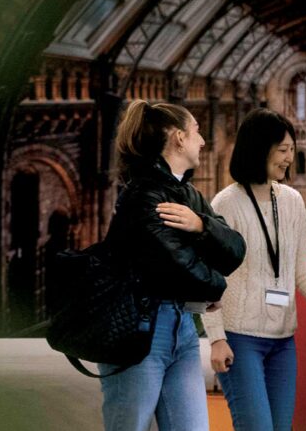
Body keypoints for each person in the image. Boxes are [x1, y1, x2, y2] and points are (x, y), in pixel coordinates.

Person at [100, 99, 246, 431]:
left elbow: (235, 249)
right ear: (178, 137)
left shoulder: (188, 195)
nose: (203, 140)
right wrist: (217, 287)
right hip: (138, 331)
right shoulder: (143, 196)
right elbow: (177, 264)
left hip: (180, 328)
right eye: (196, 131)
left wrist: (201, 225)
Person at [203, 108, 306, 431]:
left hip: (282, 340)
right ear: (259, 148)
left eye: (291, 150)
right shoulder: (227, 204)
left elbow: (303, 267)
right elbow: (210, 278)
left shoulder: (291, 201)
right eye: (282, 150)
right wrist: (217, 338)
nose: (289, 158)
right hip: (240, 338)